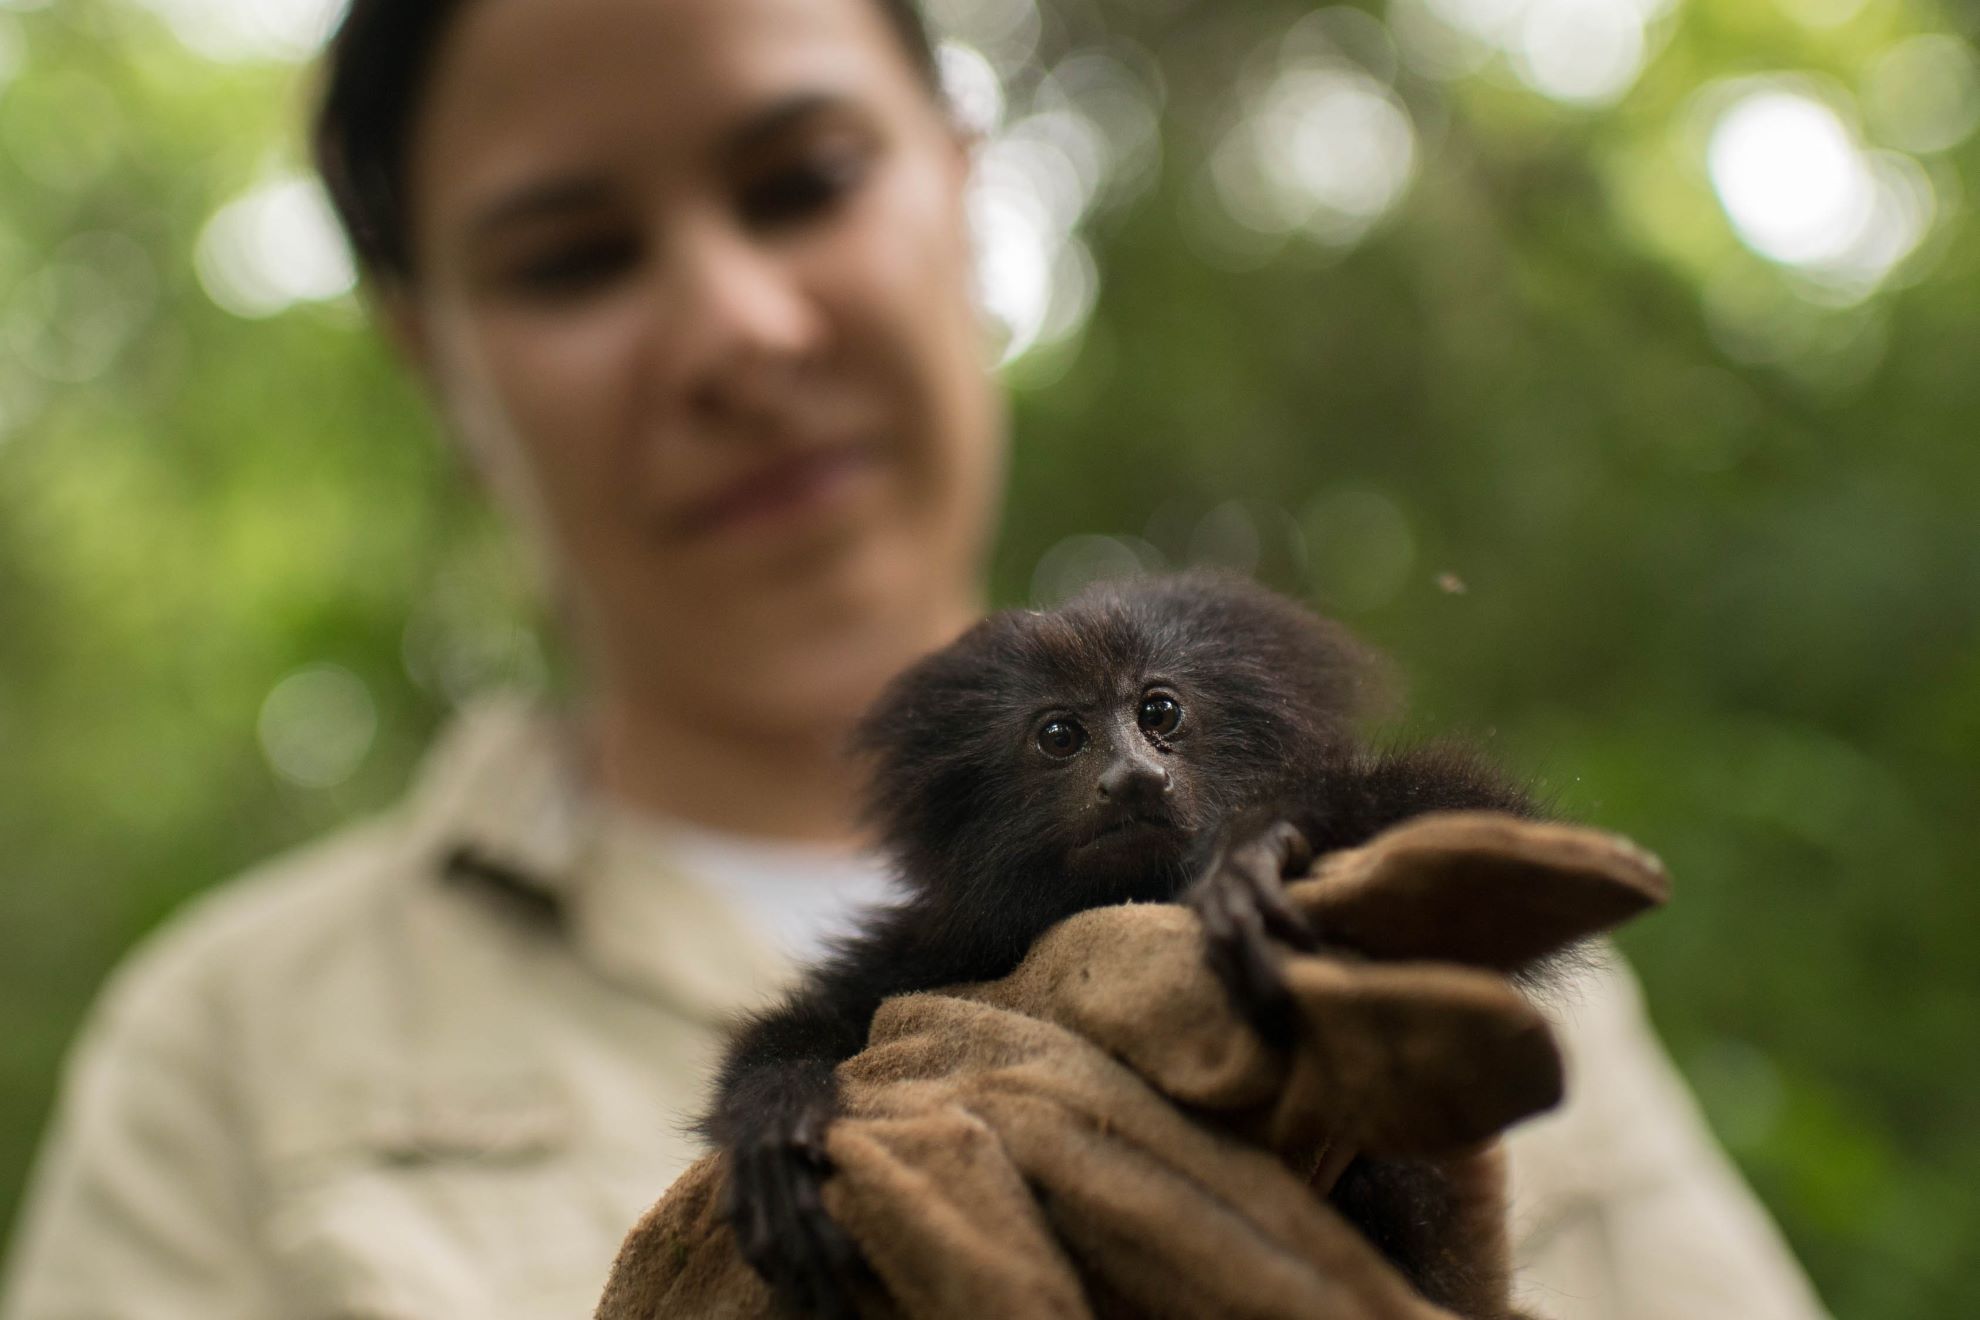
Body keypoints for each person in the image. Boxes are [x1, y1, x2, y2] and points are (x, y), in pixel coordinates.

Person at [0, 0, 1831, 1315]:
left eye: (799, 179)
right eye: (572, 257)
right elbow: (793, 1055)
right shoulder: (231, 1052)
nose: (732, 327)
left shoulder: (1416, 920)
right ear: (432, 361)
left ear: (962, 195)